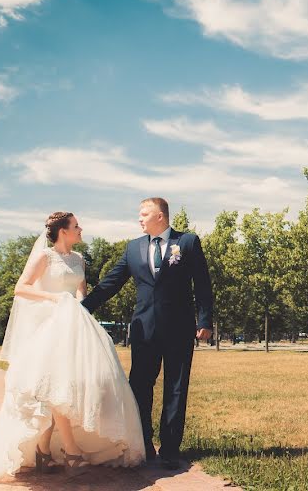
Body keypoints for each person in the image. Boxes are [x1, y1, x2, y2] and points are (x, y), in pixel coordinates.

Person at [0, 212, 145, 480]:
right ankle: (71, 451)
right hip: (47, 328)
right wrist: (56, 300)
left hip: (74, 328)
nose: (81, 229)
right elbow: (21, 288)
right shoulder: (45, 257)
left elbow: (81, 292)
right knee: (53, 387)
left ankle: (44, 450)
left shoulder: (79, 260)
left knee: (74, 385)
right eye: (76, 226)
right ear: (63, 231)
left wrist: (77, 304)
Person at [81, 198, 213, 470]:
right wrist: (82, 308)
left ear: (161, 217)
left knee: (176, 387)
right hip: (143, 329)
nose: (139, 219)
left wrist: (205, 320)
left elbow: (202, 283)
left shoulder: (187, 242)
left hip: (179, 327)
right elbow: (110, 284)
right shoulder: (133, 248)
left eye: (144, 214)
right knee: (140, 385)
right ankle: (144, 441)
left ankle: (170, 449)